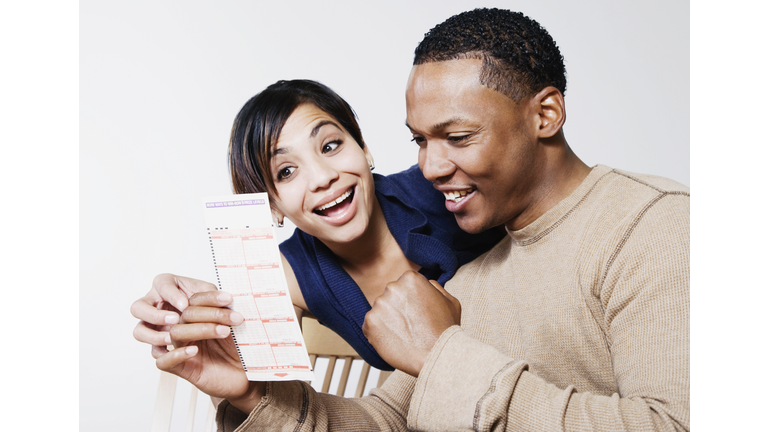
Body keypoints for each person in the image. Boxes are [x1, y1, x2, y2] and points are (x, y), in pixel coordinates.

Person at [154, 8, 689, 431]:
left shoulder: (653, 225)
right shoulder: (470, 278)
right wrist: (252, 393)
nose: (430, 168)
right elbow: (387, 421)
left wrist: (441, 354)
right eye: (420, 141)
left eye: (457, 137)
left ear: (545, 115)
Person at [131, 79, 505, 371]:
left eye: (329, 146)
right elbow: (259, 390)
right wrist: (187, 311)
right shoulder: (286, 276)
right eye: (286, 171)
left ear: (363, 147)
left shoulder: (440, 186)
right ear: (271, 205)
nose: (323, 177)